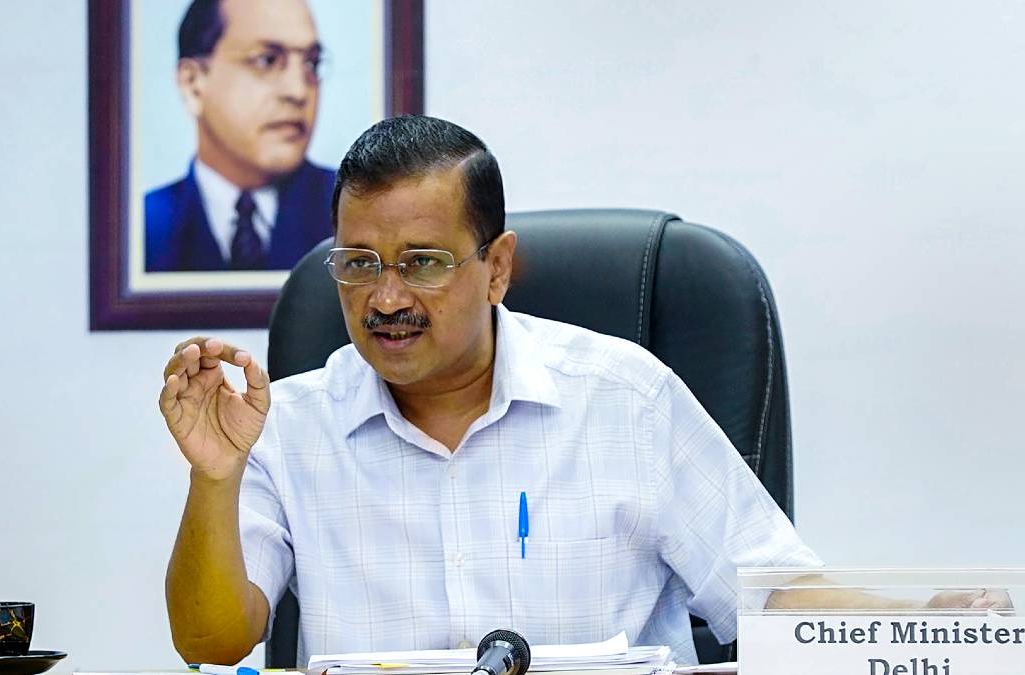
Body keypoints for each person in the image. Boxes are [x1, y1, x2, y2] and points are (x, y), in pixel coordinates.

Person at [159, 117, 1009, 667]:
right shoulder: (288, 425)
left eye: (422, 262)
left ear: (497, 267)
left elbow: (775, 595)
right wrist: (213, 477)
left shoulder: (624, 399)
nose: (385, 298)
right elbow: (212, 639)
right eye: (358, 264)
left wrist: (923, 622)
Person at [145, 0, 335, 272]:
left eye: (311, 64)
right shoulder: (142, 228)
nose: (298, 91)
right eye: (267, 60)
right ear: (193, 84)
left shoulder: (355, 212)